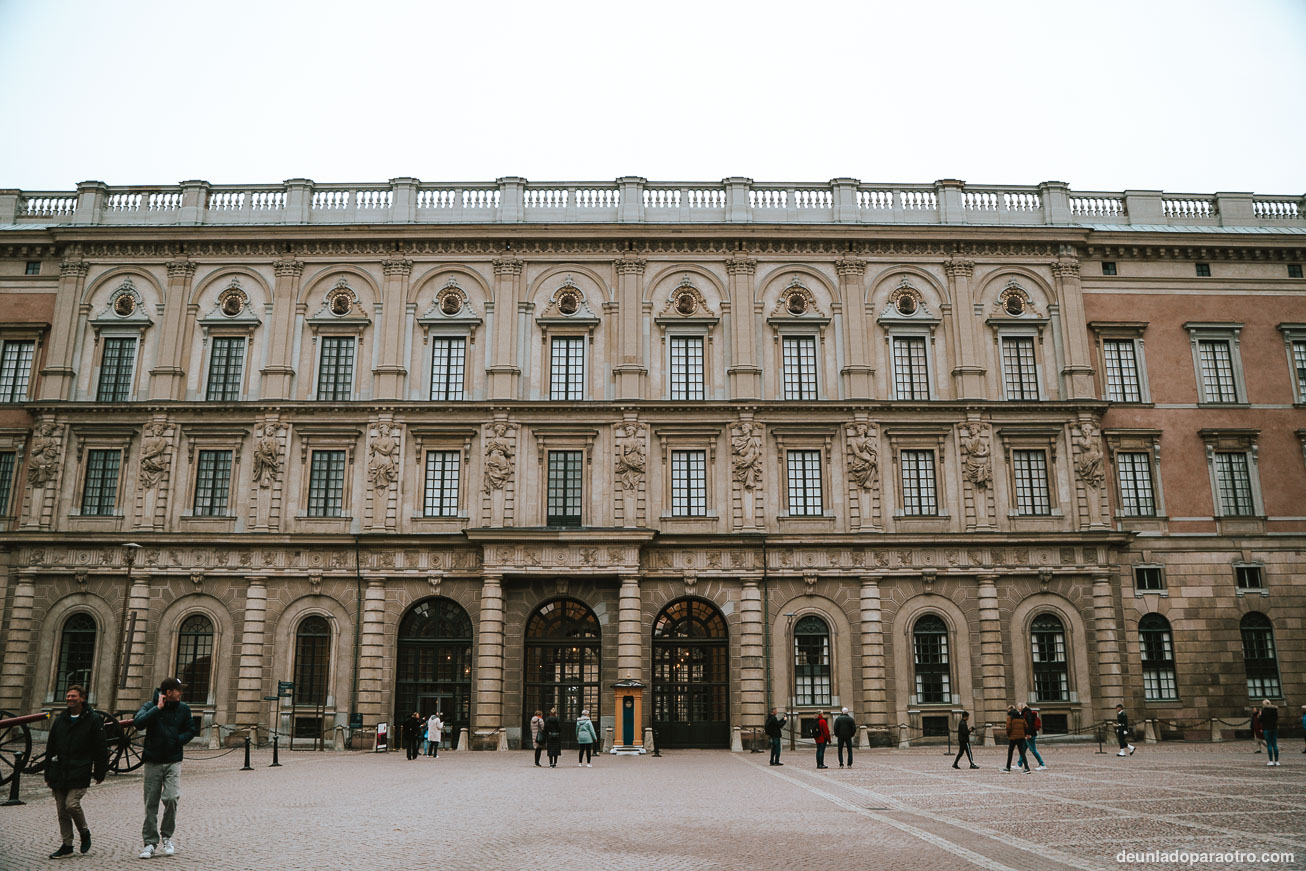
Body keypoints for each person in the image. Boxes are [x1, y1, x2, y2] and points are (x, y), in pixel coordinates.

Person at [133, 678, 197, 859]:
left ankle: (167, 836)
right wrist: (157, 709)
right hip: (153, 761)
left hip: (173, 760)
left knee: (171, 797)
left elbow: (191, 730)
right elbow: (138, 723)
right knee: (151, 804)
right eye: (178, 690)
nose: (181, 693)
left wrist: (178, 740)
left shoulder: (183, 709)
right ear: (168, 692)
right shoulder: (150, 706)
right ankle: (150, 843)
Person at [44, 685, 108, 858]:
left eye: (73, 696)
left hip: (80, 768)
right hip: (59, 770)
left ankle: (84, 832)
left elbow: (101, 748)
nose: (70, 699)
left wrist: (100, 771)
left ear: (82, 698)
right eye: (68, 696)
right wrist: (47, 773)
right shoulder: (59, 719)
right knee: (61, 811)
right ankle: (67, 845)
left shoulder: (94, 720)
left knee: (71, 804)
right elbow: (50, 748)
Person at [1017, 703, 1047, 770]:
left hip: (1030, 734)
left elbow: (1029, 725)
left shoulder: (1027, 713)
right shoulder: (1026, 713)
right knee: (1023, 750)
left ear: (1022, 707)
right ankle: (1019, 764)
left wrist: (1028, 734)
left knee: (1033, 750)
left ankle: (1042, 764)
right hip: (1028, 734)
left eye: (1018, 707)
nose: (1018, 709)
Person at [1001, 705, 1031, 774]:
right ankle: (1027, 767)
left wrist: (1009, 735)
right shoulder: (1021, 717)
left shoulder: (1010, 717)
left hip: (1013, 737)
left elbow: (1008, 727)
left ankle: (1008, 767)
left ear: (1009, 710)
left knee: (1010, 752)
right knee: (1022, 753)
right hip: (1021, 737)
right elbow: (1026, 726)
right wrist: (1024, 734)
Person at [1261, 699, 1280, 766]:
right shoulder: (1274, 710)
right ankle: (1277, 761)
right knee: (1275, 744)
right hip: (1274, 728)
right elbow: (1276, 718)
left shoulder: (1264, 711)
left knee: (1269, 744)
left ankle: (1271, 761)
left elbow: (1261, 720)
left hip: (1266, 728)